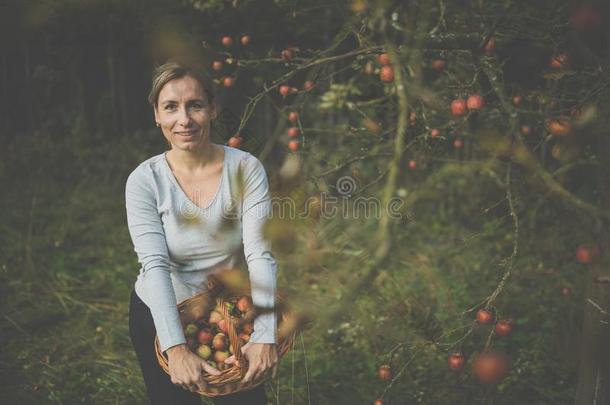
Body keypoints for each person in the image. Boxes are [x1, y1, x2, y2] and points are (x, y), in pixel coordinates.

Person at [126, 61, 278, 405]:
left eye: (195, 105)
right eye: (171, 107)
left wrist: (265, 335)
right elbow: (155, 265)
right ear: (156, 114)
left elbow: (260, 253)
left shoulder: (245, 169)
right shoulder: (144, 180)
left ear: (212, 108)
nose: (184, 119)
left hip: (228, 316)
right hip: (161, 313)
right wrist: (175, 347)